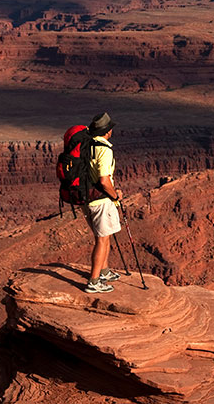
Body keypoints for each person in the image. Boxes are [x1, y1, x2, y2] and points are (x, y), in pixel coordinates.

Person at [84, 112, 124, 293]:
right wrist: (115, 195)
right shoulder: (104, 150)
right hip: (100, 200)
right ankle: (93, 281)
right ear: (107, 131)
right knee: (102, 239)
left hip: (87, 197)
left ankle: (104, 271)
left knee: (103, 235)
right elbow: (104, 180)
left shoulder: (87, 144)